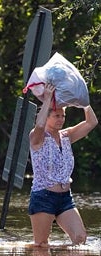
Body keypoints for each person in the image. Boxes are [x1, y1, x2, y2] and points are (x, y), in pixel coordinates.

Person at [28, 83, 98, 247]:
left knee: (80, 239)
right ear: (47, 117)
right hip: (43, 196)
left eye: (62, 116)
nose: (61, 119)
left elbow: (91, 122)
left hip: (65, 198)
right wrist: (47, 100)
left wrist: (84, 101)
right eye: (56, 116)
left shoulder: (67, 135)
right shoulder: (37, 137)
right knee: (41, 245)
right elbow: (39, 125)